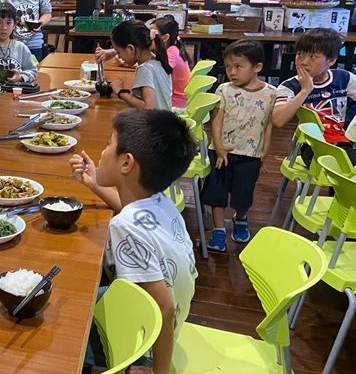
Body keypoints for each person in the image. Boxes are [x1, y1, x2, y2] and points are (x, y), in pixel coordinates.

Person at [69, 109, 198, 374]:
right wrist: (93, 182)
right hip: (174, 313)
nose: (101, 153)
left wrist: (158, 373)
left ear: (126, 162)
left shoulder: (125, 226)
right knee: (81, 295)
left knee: (64, 328)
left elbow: (162, 308)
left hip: (150, 339)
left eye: (108, 145)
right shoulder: (159, 200)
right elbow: (129, 210)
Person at [202, 41, 275, 252]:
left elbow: (269, 124)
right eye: (228, 67)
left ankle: (241, 217)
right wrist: (219, 145)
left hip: (251, 154)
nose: (232, 72)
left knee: (244, 195)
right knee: (217, 192)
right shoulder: (224, 89)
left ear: (257, 67)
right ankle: (218, 230)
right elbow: (216, 120)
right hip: (221, 152)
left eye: (238, 66)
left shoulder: (271, 93)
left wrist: (265, 151)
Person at [272, 28, 356, 165]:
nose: (303, 61)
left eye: (312, 56)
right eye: (299, 54)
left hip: (341, 142)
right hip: (311, 146)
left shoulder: (343, 78)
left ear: (331, 60)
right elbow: (278, 120)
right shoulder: (289, 86)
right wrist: (305, 90)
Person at [107, 20, 173, 110]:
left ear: (130, 48)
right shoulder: (158, 60)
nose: (119, 56)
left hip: (154, 123)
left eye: (118, 52)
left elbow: (148, 108)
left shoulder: (145, 69)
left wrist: (120, 92)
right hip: (166, 120)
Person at [151, 16, 191, 109]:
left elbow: (159, 71)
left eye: (152, 34)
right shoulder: (173, 49)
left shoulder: (172, 53)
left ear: (165, 38)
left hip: (175, 102)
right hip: (178, 99)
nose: (148, 37)